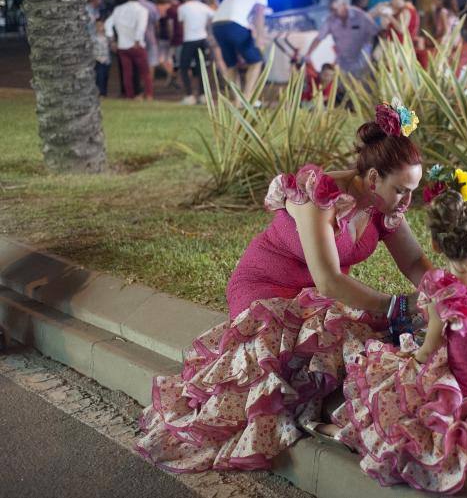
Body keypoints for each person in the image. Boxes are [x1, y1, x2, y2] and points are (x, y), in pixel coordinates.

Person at [136, 101, 434, 472]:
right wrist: (398, 305)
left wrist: (443, 291)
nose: (408, 201)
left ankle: (338, 413)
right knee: (322, 350)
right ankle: (326, 417)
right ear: (373, 179)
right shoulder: (318, 195)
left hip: (315, 298)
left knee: (362, 342)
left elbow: (413, 262)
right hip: (266, 289)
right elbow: (329, 278)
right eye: (403, 191)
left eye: (413, 191)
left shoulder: (384, 205)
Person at [320, 178, 467, 493]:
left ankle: (345, 431)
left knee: (384, 378)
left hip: (464, 399)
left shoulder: (448, 295)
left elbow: (426, 354)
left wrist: (405, 359)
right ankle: (344, 427)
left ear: (435, 245)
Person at [211, 0, 268, 101]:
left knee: (231, 64)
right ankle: (248, 98)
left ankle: (237, 100)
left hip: (217, 26)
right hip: (234, 25)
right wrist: (260, 38)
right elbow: (259, 16)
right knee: (256, 61)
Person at [305, 0, 380, 77]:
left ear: (344, 6)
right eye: (331, 10)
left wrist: (372, 54)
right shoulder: (331, 20)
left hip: (362, 60)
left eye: (335, 9)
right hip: (343, 62)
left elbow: (376, 33)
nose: (333, 12)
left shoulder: (360, 15)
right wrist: (308, 54)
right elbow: (319, 38)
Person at [105, 0, 153, 100]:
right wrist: (137, 39)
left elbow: (108, 24)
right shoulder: (142, 10)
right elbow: (141, 27)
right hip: (137, 45)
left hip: (122, 45)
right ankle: (149, 95)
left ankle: (130, 95)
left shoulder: (118, 9)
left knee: (127, 74)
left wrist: (112, 40)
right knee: (145, 72)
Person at [177, 0, 214, 105]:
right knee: (202, 68)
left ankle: (189, 95)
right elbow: (213, 17)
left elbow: (182, 24)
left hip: (189, 40)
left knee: (184, 68)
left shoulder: (182, 8)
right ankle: (203, 95)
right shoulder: (203, 7)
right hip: (202, 39)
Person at [201, 0, 228, 76]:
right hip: (222, 35)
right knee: (218, 59)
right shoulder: (221, 8)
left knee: (218, 60)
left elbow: (206, 24)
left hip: (212, 36)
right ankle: (220, 80)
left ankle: (228, 81)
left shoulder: (206, 9)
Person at [155, 0, 177, 88]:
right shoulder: (170, 7)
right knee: (169, 59)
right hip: (170, 36)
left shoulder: (156, 8)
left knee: (161, 59)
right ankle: (171, 77)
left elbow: (157, 25)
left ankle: (171, 76)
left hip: (162, 36)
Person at [139, 0, 161, 83]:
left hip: (137, 39)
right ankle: (149, 85)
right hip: (150, 37)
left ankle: (142, 85)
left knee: (140, 63)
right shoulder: (151, 6)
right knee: (151, 62)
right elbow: (157, 23)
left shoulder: (133, 5)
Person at [93, 17, 111, 97]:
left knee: (105, 77)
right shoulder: (93, 37)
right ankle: (100, 93)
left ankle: (104, 93)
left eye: (101, 25)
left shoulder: (107, 36)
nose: (100, 27)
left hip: (106, 60)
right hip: (98, 59)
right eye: (98, 25)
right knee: (99, 76)